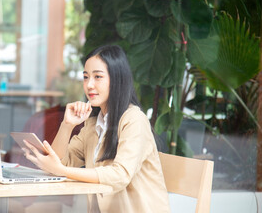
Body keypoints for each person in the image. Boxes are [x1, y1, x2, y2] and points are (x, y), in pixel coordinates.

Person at [23, 45, 170, 212]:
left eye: (98, 77)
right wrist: (67, 125)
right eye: (86, 77)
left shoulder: (134, 120)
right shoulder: (93, 123)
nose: (89, 85)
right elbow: (60, 162)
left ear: (117, 80)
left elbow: (120, 175)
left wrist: (61, 170)